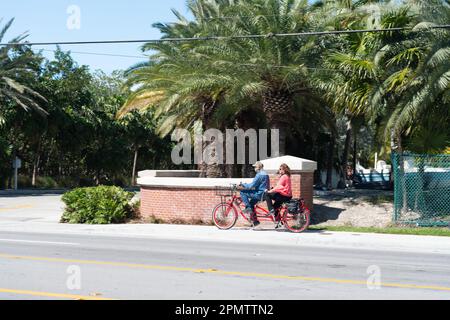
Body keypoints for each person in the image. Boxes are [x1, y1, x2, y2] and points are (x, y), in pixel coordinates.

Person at [238, 161, 270, 227]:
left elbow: (251, 186)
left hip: (259, 194)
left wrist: (243, 184)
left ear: (258, 167)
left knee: (242, 192)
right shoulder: (266, 174)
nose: (254, 168)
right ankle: (255, 221)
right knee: (251, 203)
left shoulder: (259, 175)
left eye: (255, 167)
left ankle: (248, 208)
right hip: (263, 194)